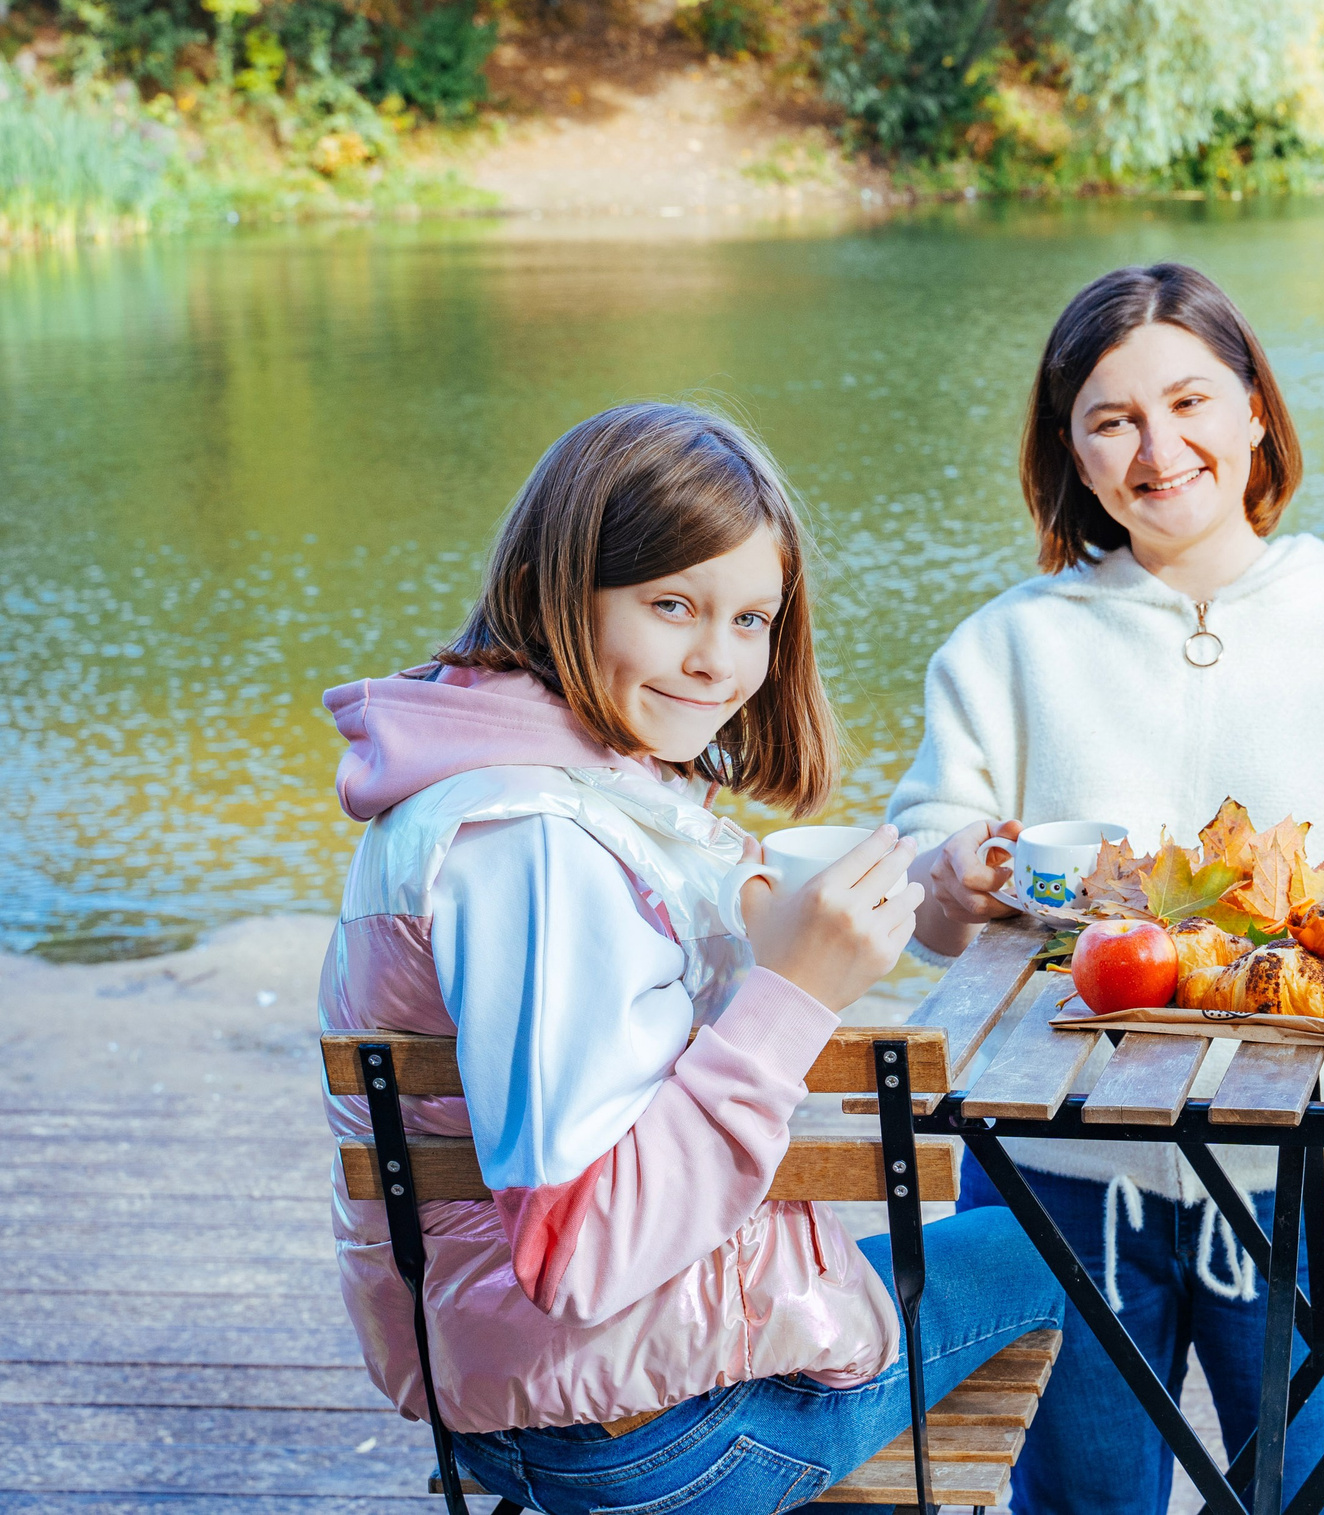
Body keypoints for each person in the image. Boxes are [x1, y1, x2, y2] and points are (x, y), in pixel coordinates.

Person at [318, 402, 1064, 1515]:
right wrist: (793, 995)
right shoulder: (536, 846)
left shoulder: (538, 782)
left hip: (535, 1389)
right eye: (672, 606)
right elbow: (582, 1251)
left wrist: (909, 897)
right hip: (643, 1433)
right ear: (558, 587)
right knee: (1056, 1251)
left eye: (752, 618)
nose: (719, 661)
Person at [889, 262, 1324, 1514]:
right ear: (1067, 451)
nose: (1158, 449)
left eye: (1190, 403)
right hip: (1057, 1173)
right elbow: (924, 893)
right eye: (1111, 420)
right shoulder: (1007, 646)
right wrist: (953, 872)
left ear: (1255, 413)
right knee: (1078, 1504)